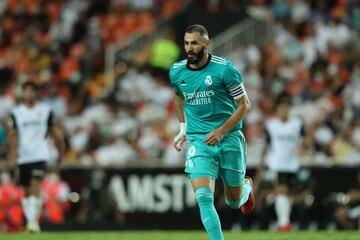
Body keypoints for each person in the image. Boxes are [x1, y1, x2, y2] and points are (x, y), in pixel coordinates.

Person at [169, 24, 254, 240]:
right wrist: (183, 128)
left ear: (207, 44)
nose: (189, 48)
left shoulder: (225, 69)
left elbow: (244, 105)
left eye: (195, 43)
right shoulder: (177, 71)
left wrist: (222, 131)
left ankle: (245, 189)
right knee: (204, 198)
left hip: (230, 138)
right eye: (187, 43)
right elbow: (178, 96)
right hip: (199, 140)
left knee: (232, 202)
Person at [7, 81, 65, 232]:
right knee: (26, 190)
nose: (29, 94)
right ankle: (29, 221)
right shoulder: (16, 112)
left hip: (40, 154)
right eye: (26, 91)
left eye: (32, 91)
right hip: (23, 156)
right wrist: (13, 151)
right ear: (22, 93)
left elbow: (54, 131)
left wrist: (61, 149)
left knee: (35, 185)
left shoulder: (45, 110)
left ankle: (33, 222)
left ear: (37, 93)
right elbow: (12, 134)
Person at [256, 94, 305, 232]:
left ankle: (284, 222)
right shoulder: (271, 125)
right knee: (281, 191)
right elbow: (266, 147)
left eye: (286, 107)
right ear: (277, 110)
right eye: (281, 107)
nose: (283, 110)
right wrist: (261, 168)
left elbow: (305, 141)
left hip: (292, 164)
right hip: (276, 164)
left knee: (288, 194)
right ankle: (283, 223)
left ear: (289, 109)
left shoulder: (297, 124)